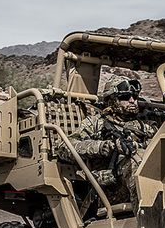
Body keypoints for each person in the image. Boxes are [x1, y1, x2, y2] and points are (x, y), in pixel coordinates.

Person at [57, 75, 157, 208]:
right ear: (112, 101)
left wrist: (141, 144)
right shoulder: (96, 123)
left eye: (134, 96)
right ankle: (148, 220)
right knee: (134, 162)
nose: (132, 100)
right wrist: (101, 147)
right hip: (113, 186)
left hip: (148, 179)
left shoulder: (145, 124)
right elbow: (64, 148)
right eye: (125, 97)